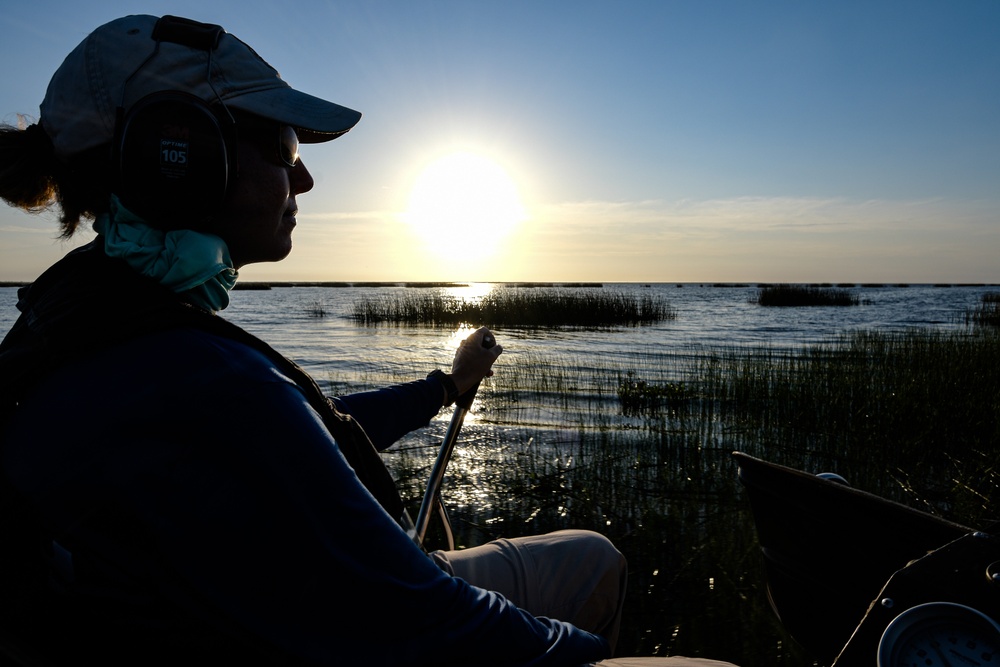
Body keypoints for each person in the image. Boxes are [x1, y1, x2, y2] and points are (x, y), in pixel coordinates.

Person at [0, 14, 738, 667]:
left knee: (593, 559)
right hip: (373, 618)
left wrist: (446, 386)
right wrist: (583, 656)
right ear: (180, 154)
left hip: (298, 610)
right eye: (286, 144)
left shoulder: (84, 323)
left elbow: (303, 437)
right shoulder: (193, 379)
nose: (307, 176)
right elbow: (437, 625)